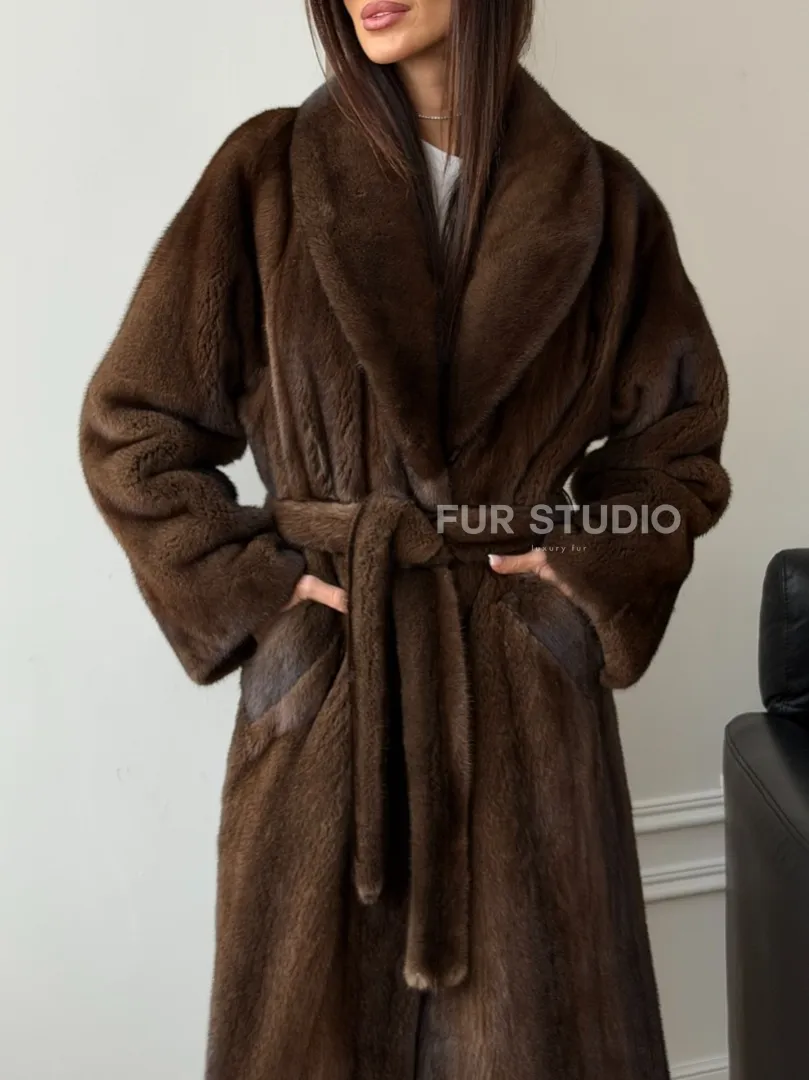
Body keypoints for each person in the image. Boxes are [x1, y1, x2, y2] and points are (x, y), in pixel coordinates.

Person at [78, 1, 732, 1077]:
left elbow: (677, 446)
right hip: (333, 697)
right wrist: (259, 592)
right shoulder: (266, 178)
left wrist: (578, 578)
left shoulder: (603, 203)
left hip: (521, 717)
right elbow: (132, 431)